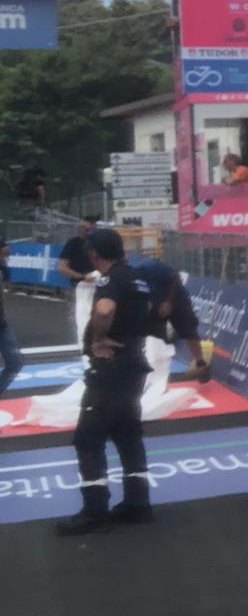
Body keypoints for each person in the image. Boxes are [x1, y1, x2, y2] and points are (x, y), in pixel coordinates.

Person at [57, 228, 155, 536]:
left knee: (88, 438)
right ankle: (138, 503)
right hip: (135, 363)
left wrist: (98, 339)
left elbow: (104, 309)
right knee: (127, 434)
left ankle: (95, 511)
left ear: (94, 254)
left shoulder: (110, 280)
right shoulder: (137, 278)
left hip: (111, 367)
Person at [132, 255, 209, 381]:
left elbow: (175, 277)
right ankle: (151, 366)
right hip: (156, 304)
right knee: (149, 333)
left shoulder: (150, 266)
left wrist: (168, 301)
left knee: (188, 331)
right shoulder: (128, 280)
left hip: (177, 300)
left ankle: (201, 363)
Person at [57, 214, 100, 345]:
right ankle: (83, 343)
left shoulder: (98, 243)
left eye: (94, 224)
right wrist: (81, 277)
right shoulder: (73, 243)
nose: (92, 227)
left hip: (99, 283)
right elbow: (62, 267)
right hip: (80, 285)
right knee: (82, 317)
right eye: (89, 223)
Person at [0, 241, 20, 398]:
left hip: (1, 323)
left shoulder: (3, 269)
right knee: (15, 363)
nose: (6, 256)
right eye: (4, 253)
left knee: (15, 363)